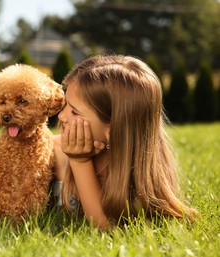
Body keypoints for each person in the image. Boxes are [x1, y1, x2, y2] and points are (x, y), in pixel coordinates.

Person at [53, 55, 198, 229]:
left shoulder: (142, 174)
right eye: (66, 104)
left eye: (75, 112)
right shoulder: (54, 151)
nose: (61, 116)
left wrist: (80, 161)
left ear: (113, 130)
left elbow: (105, 225)